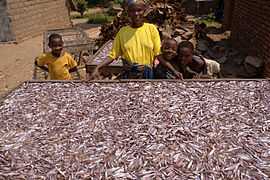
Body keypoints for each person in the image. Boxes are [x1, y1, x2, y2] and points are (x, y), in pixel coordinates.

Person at [90, 0, 161, 79]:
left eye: (139, 10)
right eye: (132, 11)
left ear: (144, 11)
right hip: (130, 74)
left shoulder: (151, 29)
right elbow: (113, 55)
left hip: (147, 74)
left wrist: (174, 71)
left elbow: (158, 53)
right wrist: (97, 68)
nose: (136, 13)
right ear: (128, 13)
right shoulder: (122, 32)